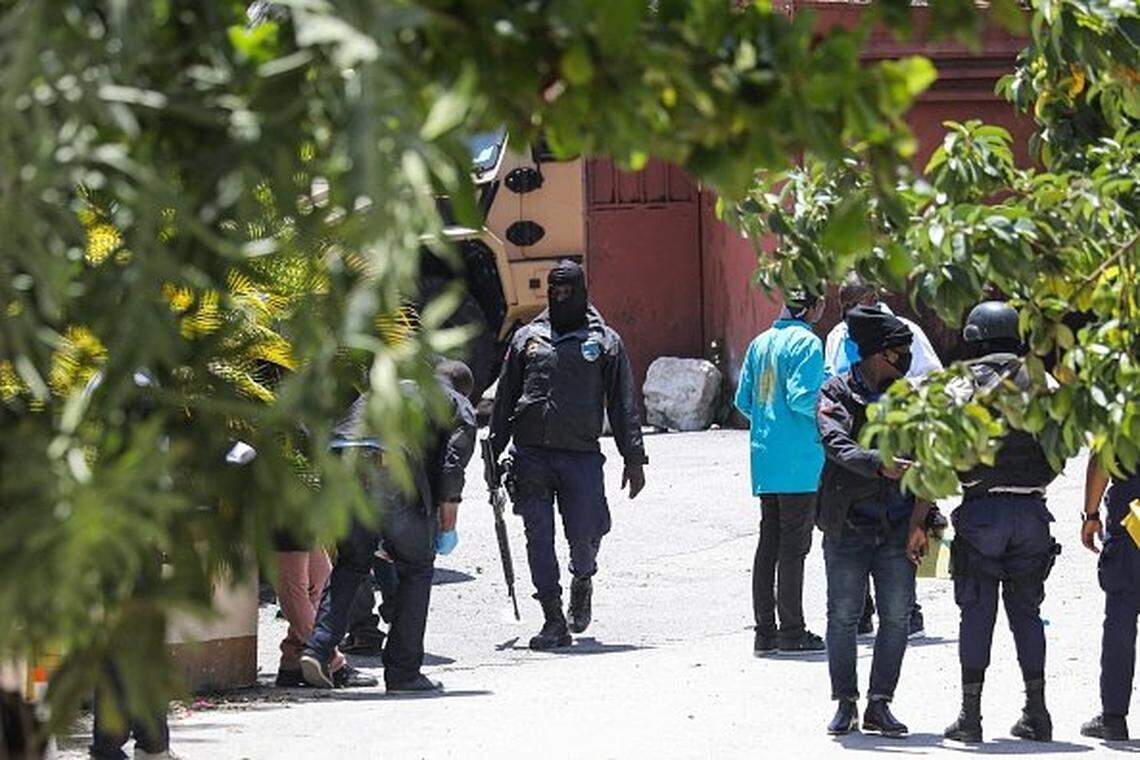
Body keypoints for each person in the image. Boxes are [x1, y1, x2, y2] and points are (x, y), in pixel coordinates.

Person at [489, 259, 647, 650]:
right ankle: (553, 619)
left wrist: (634, 457)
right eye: (554, 292)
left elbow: (622, 402)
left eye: (567, 292)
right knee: (537, 537)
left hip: (581, 456)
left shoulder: (604, 340)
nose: (560, 298)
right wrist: (492, 452)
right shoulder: (527, 337)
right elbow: (505, 396)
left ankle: (583, 577)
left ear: (581, 292)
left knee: (586, 532)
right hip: (531, 457)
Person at [300, 363, 476, 692]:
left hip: (341, 462)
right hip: (389, 470)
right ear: (464, 388)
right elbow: (452, 466)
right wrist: (446, 525)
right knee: (417, 569)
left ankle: (318, 649)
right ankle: (404, 672)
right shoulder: (455, 401)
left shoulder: (385, 390)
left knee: (352, 562)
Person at [943, 301, 1064, 744]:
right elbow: (1062, 447)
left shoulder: (964, 382)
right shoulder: (1045, 381)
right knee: (1027, 614)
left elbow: (943, 440)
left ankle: (970, 718)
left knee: (977, 613)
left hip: (982, 513)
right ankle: (1037, 712)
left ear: (975, 336)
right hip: (1033, 513)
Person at [816, 306, 931, 738]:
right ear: (881, 354)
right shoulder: (836, 393)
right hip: (848, 523)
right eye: (901, 352)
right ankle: (845, 702)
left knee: (897, 616)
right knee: (843, 616)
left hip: (899, 525)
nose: (905, 359)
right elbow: (835, 444)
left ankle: (880, 704)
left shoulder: (911, 400)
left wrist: (922, 520)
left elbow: (929, 462)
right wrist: (878, 463)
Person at [825, 273, 943, 639]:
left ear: (873, 297)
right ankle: (860, 611)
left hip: (897, 439)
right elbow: (832, 376)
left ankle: (909, 610)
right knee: (854, 526)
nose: (846, 312)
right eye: (842, 305)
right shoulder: (837, 336)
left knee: (903, 524)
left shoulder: (904, 330)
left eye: (853, 302)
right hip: (856, 446)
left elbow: (933, 376)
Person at [341, 360, 475, 657]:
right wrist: (447, 526)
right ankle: (383, 628)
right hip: (387, 483)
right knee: (393, 558)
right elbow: (450, 472)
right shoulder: (446, 404)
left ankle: (359, 631)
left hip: (358, 468)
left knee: (357, 558)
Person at [734, 291, 828, 656]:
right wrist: (834, 414)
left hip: (766, 458)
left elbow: (743, 401)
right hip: (800, 462)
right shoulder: (807, 343)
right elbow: (803, 398)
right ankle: (792, 631)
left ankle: (765, 632)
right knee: (794, 547)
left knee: (768, 544)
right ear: (813, 306)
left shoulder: (760, 343)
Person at [1080, 459, 1140, 741]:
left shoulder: (1120, 413)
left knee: (1121, 620)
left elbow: (1100, 461)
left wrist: (1091, 515)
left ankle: (1114, 718)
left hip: (1132, 522)